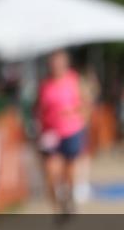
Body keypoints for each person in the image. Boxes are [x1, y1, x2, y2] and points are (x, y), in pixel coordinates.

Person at [35, 49, 87, 218]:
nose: (56, 65)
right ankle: (58, 206)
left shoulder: (74, 79)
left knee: (69, 170)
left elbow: (85, 104)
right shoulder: (45, 84)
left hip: (71, 130)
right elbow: (39, 109)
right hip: (50, 133)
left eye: (59, 61)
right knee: (51, 170)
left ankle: (69, 195)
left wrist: (74, 114)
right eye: (53, 61)